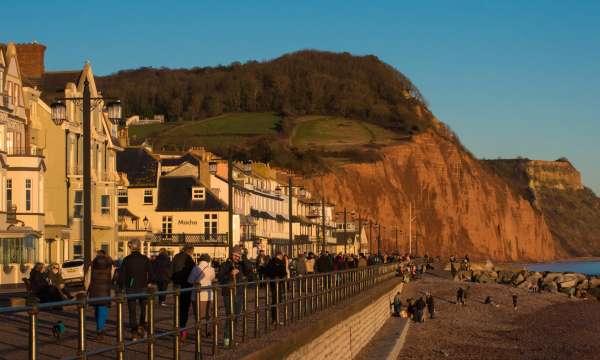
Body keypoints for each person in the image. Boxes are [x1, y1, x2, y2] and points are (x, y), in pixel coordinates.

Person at [217, 245, 253, 347]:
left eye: (239, 255)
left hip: (239, 293)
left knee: (236, 316)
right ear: (232, 254)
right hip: (228, 294)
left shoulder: (241, 265)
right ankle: (227, 338)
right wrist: (230, 273)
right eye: (236, 255)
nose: (237, 257)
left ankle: (232, 337)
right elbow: (220, 278)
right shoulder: (225, 265)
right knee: (230, 316)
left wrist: (244, 259)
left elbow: (250, 273)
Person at [119, 239, 152, 340]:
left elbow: (122, 276)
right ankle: (142, 326)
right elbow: (151, 273)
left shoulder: (127, 260)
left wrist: (122, 287)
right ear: (138, 247)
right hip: (143, 286)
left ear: (131, 247)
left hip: (131, 287)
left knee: (132, 311)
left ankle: (134, 332)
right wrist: (148, 282)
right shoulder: (145, 259)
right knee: (143, 309)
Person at [88, 249, 114, 339]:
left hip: (94, 290)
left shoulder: (93, 263)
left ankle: (99, 327)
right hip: (105, 290)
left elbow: (87, 278)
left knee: (97, 308)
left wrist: (87, 289)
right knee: (103, 309)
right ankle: (100, 329)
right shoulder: (109, 263)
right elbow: (114, 275)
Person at [171, 244, 196, 340]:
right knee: (184, 309)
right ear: (191, 251)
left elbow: (171, 269)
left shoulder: (176, 256)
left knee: (177, 307)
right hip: (186, 286)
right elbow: (193, 272)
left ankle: (177, 328)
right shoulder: (189, 260)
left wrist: (174, 280)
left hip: (176, 285)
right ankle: (182, 330)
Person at [188, 254, 215, 337]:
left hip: (197, 295)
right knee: (208, 314)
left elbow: (189, 280)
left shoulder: (195, 268)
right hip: (208, 295)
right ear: (208, 261)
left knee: (199, 315)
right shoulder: (211, 269)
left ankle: (200, 332)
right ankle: (208, 331)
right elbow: (213, 278)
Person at [265, 251, 287, 326]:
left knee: (274, 301)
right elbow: (284, 273)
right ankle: (276, 319)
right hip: (278, 283)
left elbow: (266, 271)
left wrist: (270, 277)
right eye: (282, 256)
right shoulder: (280, 263)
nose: (282, 257)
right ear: (280, 255)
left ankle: (274, 319)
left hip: (272, 283)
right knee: (278, 300)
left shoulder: (270, 262)